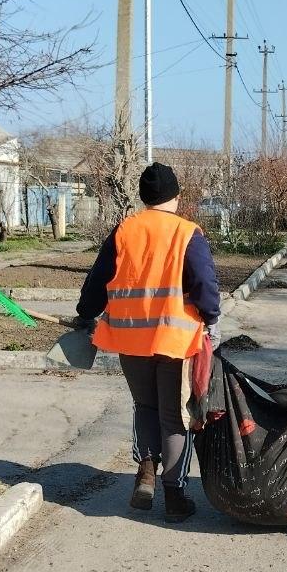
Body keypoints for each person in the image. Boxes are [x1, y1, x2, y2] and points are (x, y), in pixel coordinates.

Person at [76, 163, 221, 522]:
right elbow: (205, 285)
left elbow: (98, 279)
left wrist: (85, 312)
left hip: (129, 340)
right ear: (176, 197)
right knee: (174, 417)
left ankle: (145, 472)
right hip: (174, 341)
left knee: (145, 407)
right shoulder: (187, 233)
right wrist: (211, 316)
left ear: (143, 197)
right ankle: (174, 498)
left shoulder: (125, 230)